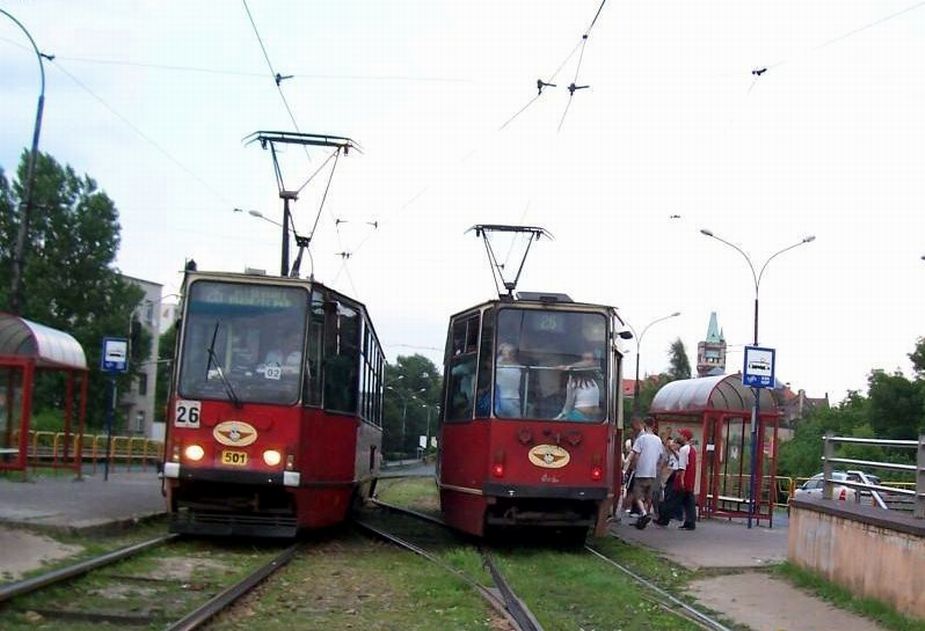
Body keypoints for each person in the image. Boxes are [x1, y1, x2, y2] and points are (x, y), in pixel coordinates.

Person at [623, 417, 664, 529]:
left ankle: (644, 514)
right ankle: (645, 515)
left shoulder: (642, 439)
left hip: (641, 471)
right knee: (648, 496)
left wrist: (627, 463)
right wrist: (657, 468)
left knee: (638, 496)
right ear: (654, 426)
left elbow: (634, 453)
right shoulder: (658, 440)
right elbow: (661, 457)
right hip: (653, 473)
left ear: (645, 425)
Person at [655, 428, 697, 529]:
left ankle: (664, 519)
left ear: (685, 437)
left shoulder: (683, 450)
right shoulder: (692, 450)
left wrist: (681, 480)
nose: (680, 437)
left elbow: (682, 466)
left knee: (671, 500)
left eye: (681, 435)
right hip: (690, 478)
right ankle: (690, 522)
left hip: (682, 478)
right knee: (689, 502)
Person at [556, 351, 601, 420]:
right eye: (584, 359)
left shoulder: (594, 379)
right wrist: (561, 416)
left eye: (589, 359)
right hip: (579, 416)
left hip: (594, 418)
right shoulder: (573, 382)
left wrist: (569, 367)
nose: (586, 362)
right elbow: (569, 403)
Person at [494, 342, 522, 417]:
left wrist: (500, 352)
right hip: (511, 399)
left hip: (504, 399)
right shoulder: (516, 368)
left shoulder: (500, 367)